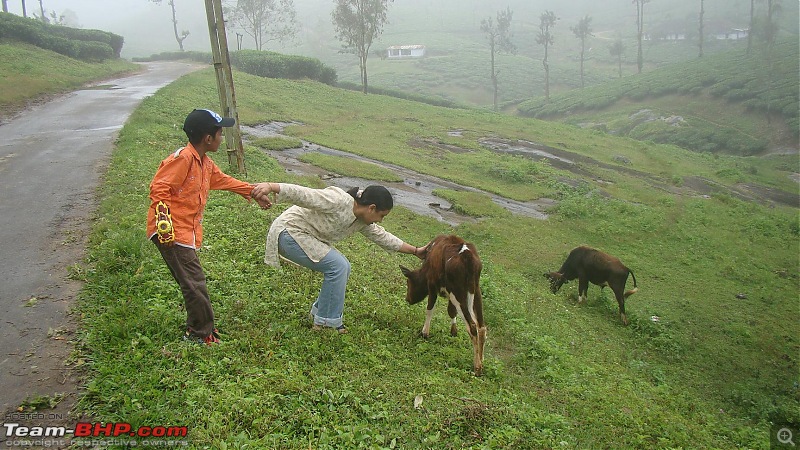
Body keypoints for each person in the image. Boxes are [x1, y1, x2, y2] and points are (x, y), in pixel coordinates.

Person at [147, 109, 270, 345]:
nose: (222, 138)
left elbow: (223, 180)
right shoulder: (183, 159)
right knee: (194, 282)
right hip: (172, 232)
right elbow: (159, 188)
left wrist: (252, 192)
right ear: (208, 138)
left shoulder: (204, 162)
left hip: (186, 231)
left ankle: (202, 330)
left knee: (192, 281)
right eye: (220, 133)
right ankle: (199, 334)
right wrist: (165, 224)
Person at [250, 182, 427, 334]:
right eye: (381, 216)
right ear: (371, 208)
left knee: (342, 267)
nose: (380, 221)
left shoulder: (361, 220)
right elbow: (304, 194)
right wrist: (270, 186)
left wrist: (415, 250)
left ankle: (321, 313)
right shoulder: (339, 200)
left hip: (304, 237)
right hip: (289, 232)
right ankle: (326, 322)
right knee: (338, 266)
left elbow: (382, 237)